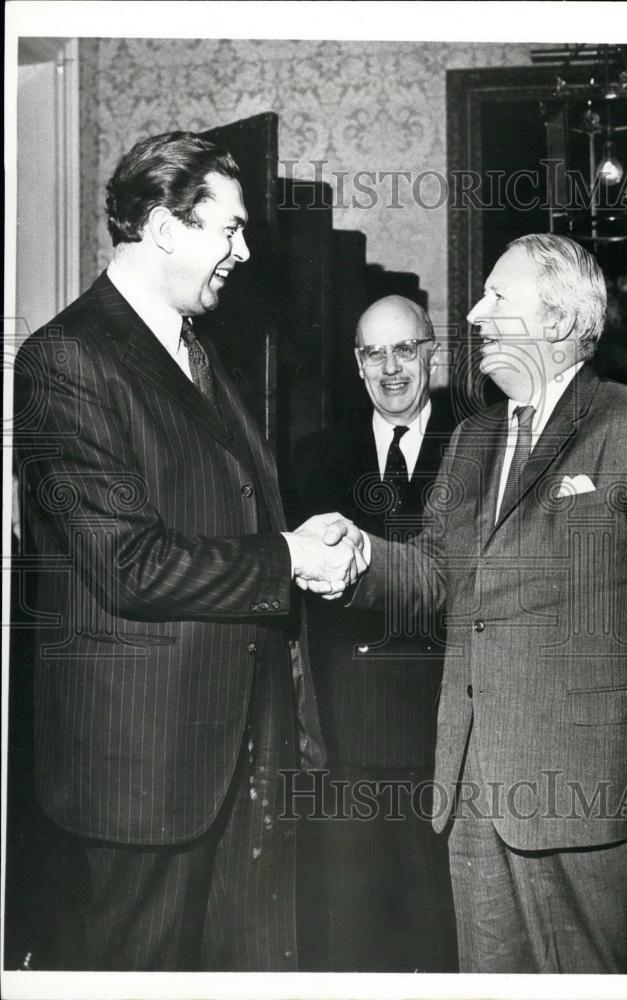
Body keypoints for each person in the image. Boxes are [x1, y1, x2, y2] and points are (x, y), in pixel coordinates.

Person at [302, 234, 627, 973]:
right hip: (471, 791)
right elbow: (437, 576)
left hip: (584, 792)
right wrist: (360, 557)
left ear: (557, 321)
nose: (474, 313)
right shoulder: (471, 441)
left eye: (497, 297)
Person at [12, 130, 365, 972]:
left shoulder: (200, 354)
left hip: (241, 759)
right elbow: (128, 564)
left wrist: (298, 542)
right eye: (230, 229)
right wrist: (288, 559)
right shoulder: (65, 359)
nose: (244, 252)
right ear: (166, 228)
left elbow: (233, 515)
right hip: (143, 778)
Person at [290, 296, 457, 971]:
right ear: (357, 365)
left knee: (438, 922)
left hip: (445, 725)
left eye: (405, 350)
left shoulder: (475, 447)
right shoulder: (313, 457)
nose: (391, 369)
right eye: (372, 353)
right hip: (350, 728)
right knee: (354, 928)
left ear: (432, 355)